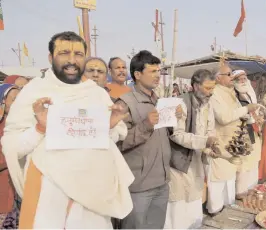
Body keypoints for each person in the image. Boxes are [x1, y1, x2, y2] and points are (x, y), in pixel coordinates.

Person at [1, 31, 134, 229]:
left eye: (78, 54)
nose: (72, 60)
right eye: (64, 53)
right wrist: (40, 128)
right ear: (50, 57)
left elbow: (108, 140)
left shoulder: (96, 94)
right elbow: (13, 147)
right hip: (48, 196)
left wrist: (109, 126)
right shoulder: (34, 91)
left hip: (92, 196)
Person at [114, 50, 182, 229]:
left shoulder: (158, 101)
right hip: (138, 186)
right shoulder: (124, 104)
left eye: (158, 71)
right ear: (137, 74)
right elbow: (117, 143)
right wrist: (145, 125)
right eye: (152, 72)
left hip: (162, 181)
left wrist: (174, 118)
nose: (157, 76)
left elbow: (162, 136)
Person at [164, 69, 220, 229]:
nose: (211, 92)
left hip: (196, 161)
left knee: (194, 201)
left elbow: (209, 130)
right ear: (195, 86)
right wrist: (205, 142)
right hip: (178, 162)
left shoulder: (207, 103)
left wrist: (210, 147)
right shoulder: (180, 103)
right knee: (178, 205)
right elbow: (176, 135)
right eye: (208, 88)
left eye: (212, 88)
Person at [207, 67, 259, 216]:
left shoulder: (230, 92)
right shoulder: (215, 93)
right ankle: (214, 218)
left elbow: (237, 115)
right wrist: (246, 109)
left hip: (233, 146)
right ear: (218, 78)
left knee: (229, 185)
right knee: (217, 187)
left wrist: (251, 118)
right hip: (220, 147)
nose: (232, 77)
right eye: (229, 74)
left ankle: (227, 218)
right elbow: (223, 117)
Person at [232, 70, 263, 195]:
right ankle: (241, 192)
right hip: (242, 132)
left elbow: (255, 110)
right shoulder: (234, 94)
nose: (243, 81)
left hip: (254, 131)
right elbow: (235, 113)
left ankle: (252, 189)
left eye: (244, 78)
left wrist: (258, 118)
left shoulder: (250, 92)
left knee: (253, 161)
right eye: (239, 79)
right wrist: (253, 118)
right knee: (243, 165)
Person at [0, 84, 20, 229]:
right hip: (4, 189)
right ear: (3, 101)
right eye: (13, 99)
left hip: (20, 190)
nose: (17, 104)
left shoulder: (26, 125)